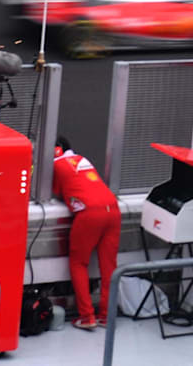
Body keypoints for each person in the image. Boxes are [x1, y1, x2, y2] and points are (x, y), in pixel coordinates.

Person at [52, 137, 120, 331]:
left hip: (89, 214)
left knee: (78, 263)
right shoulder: (83, 159)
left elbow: (55, 190)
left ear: (56, 150)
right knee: (109, 268)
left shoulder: (57, 164)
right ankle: (106, 317)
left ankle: (87, 316)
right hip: (113, 210)